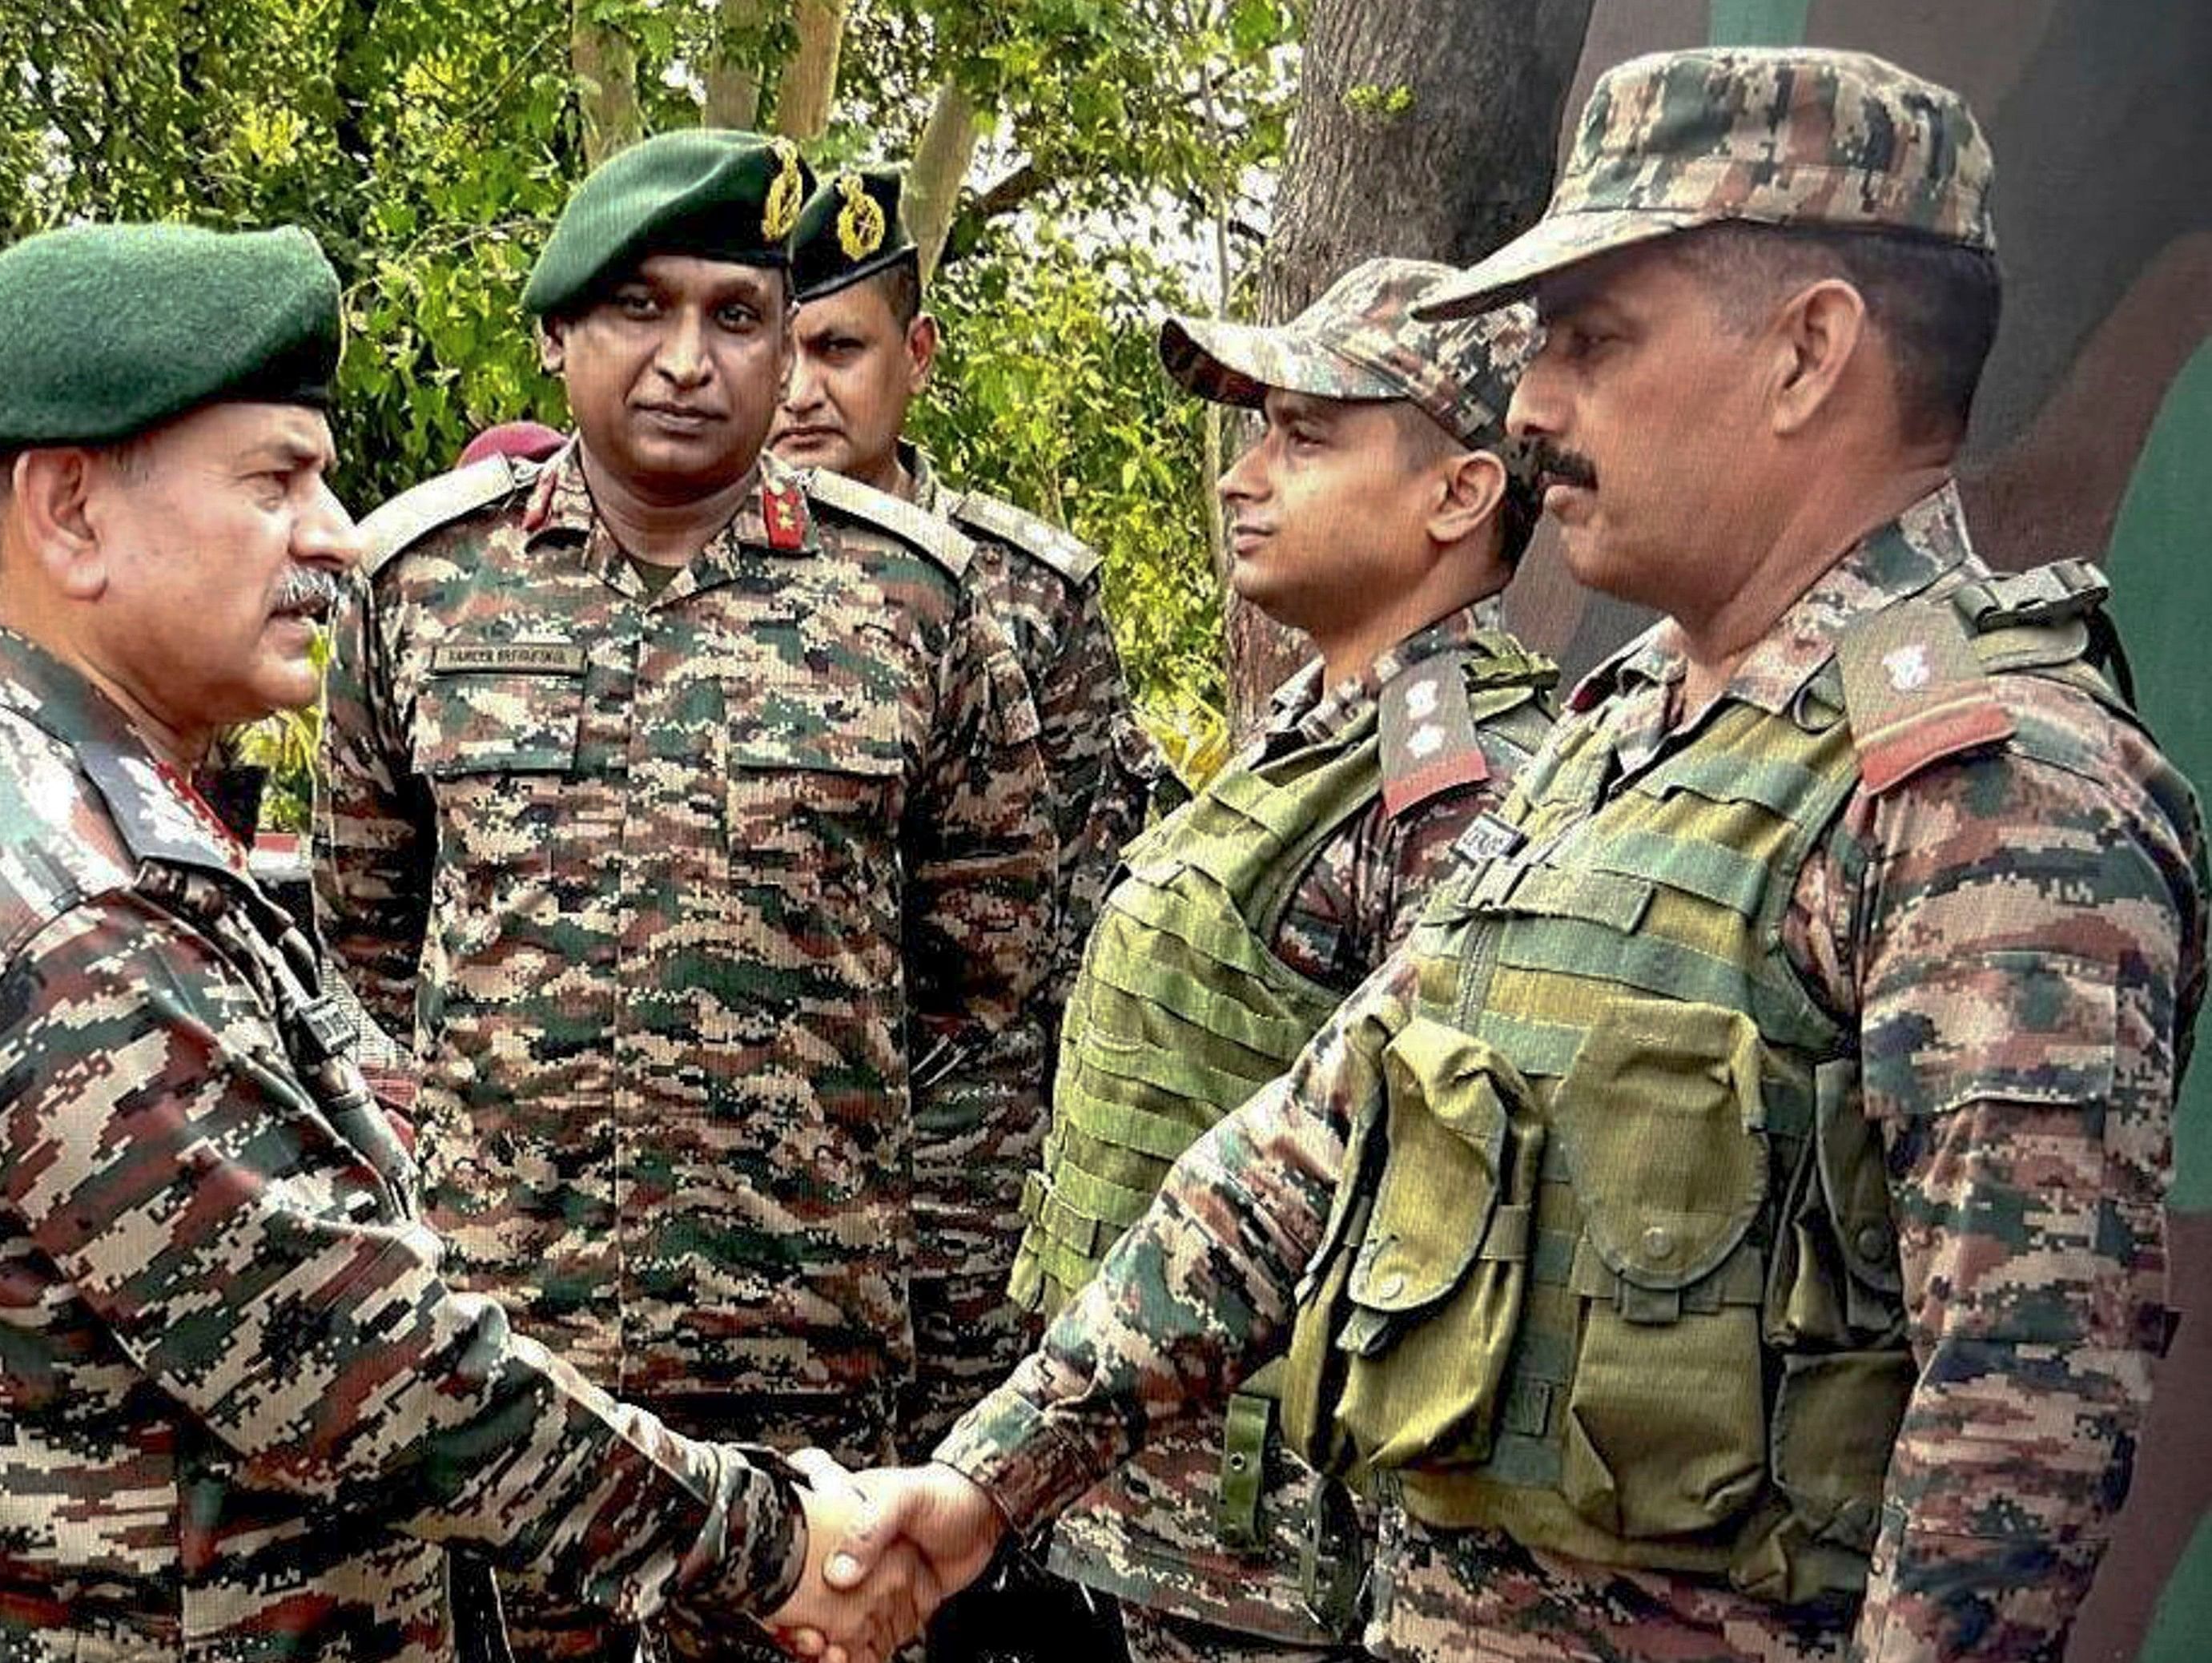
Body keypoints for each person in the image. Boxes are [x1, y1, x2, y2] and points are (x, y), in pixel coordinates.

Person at [814, 46, 2209, 1663]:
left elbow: (2015, 1425)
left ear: (1810, 352)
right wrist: (988, 1481)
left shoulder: (1993, 795)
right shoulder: (1618, 741)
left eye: (1591, 340)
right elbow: (1313, 1145)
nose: (1535, 402)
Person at [0, 217, 943, 1663]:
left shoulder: (43, 805)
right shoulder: (67, 900)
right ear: (71, 512)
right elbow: (362, 1366)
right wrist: (771, 1545)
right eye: (276, 481)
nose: (334, 535)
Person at [315, 127, 1058, 1660]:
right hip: (511, 1377)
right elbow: (374, 944)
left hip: (809, 1385)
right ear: (557, 334)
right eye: (639, 310)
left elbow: (981, 992)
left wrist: (951, 1373)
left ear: (789, 350)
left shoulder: (917, 603)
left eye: (736, 316)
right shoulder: (415, 588)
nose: (686, 360)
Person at [1005, 256, 1555, 1663]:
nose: (1245, 476)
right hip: (1158, 1510)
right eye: (1257, 432)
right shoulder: (1320, 729)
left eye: (1306, 435)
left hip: (1280, 1558)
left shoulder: (1462, 785)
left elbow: (1427, 1201)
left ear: (1459, 495)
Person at [775, 168, 1168, 1472]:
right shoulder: (671, 589)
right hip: (725, 1201)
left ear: (917, 355)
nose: (796, 390)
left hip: (956, 1197)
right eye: (766, 348)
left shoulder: (1031, 599)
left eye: (837, 348)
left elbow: (1082, 923)